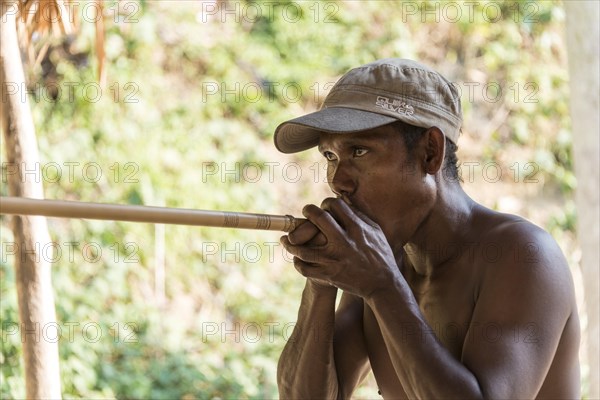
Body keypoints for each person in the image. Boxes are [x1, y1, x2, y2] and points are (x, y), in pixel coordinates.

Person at [273, 59, 580, 399]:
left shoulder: (522, 254)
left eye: (359, 151)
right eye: (330, 156)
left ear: (430, 153)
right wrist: (321, 282)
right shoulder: (379, 264)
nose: (337, 181)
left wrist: (384, 288)